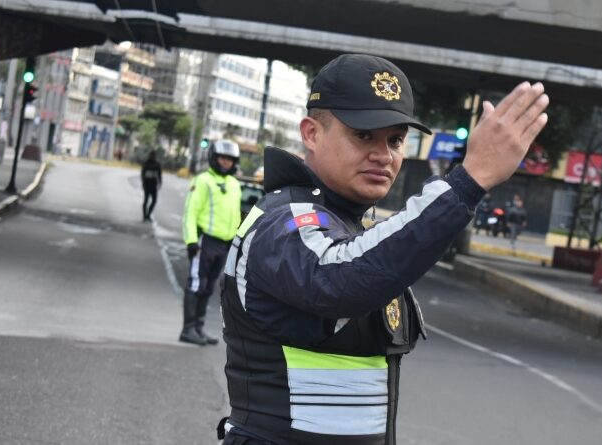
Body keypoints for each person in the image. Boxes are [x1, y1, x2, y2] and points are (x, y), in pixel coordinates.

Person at [216, 53, 548, 445]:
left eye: (395, 139)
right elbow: (338, 279)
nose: (383, 154)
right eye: (362, 135)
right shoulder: (283, 222)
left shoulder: (350, 226)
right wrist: (468, 180)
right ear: (311, 134)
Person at [180, 140, 242, 346]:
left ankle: (198, 327)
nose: (226, 163)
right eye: (222, 158)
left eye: (230, 159)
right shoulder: (203, 180)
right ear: (214, 159)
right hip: (204, 241)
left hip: (224, 244)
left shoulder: (234, 184)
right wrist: (191, 241)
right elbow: (190, 211)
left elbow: (236, 216)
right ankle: (188, 329)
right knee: (197, 283)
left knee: (208, 286)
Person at [140, 150, 162, 222]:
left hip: (153, 185)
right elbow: (142, 174)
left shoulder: (157, 164)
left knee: (154, 201)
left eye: (153, 156)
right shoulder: (146, 163)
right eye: (151, 156)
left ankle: (148, 215)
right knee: (146, 201)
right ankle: (145, 216)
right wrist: (143, 183)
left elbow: (159, 175)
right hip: (147, 184)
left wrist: (160, 183)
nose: (152, 157)